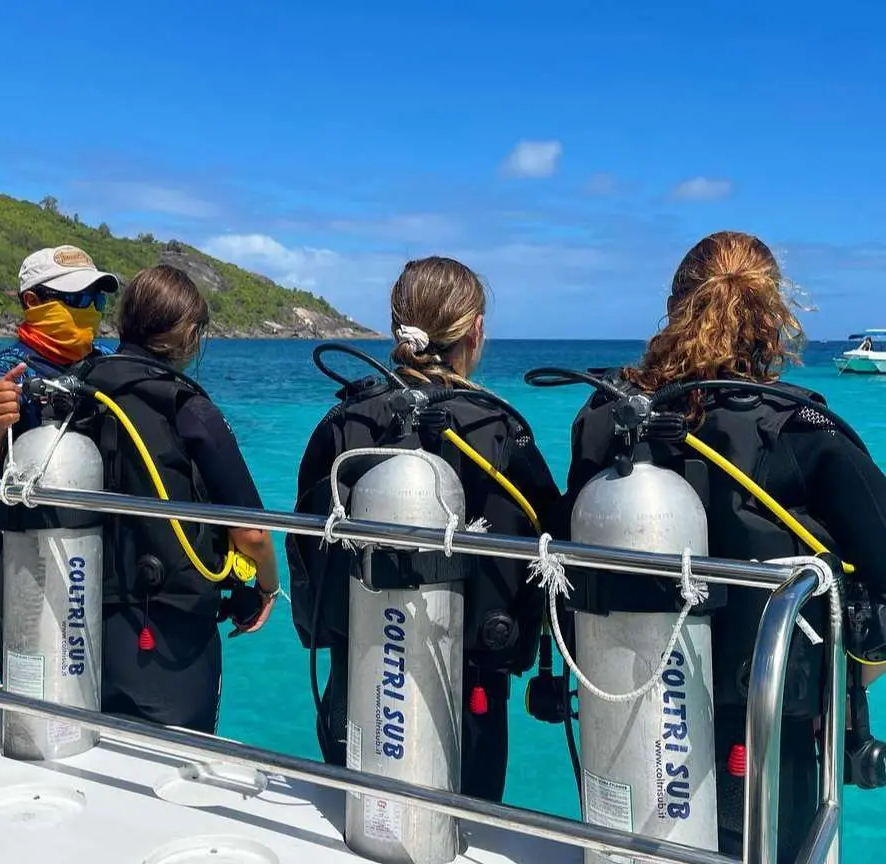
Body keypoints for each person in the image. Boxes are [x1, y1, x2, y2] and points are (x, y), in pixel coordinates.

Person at [564, 231, 886, 859]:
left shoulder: (607, 419)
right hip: (763, 716)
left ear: (674, 308)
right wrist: (861, 664)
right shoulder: (798, 426)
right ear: (773, 317)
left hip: (625, 702)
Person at [288, 256, 562, 802]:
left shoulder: (347, 421)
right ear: (476, 331)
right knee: (466, 823)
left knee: (354, 815)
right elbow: (549, 539)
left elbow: (306, 542)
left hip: (357, 668)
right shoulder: (498, 429)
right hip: (471, 686)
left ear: (397, 325)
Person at [0, 261, 279, 734]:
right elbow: (252, 533)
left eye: (96, 301)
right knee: (171, 757)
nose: (88, 309)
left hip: (71, 605)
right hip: (164, 630)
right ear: (190, 335)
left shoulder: (70, 389)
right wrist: (268, 587)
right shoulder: (187, 407)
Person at [0, 244, 120, 668]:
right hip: (23, 555)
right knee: (31, 680)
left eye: (97, 300)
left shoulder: (109, 365)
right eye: (76, 299)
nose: (90, 311)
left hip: (101, 556)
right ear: (32, 301)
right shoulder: (7, 372)